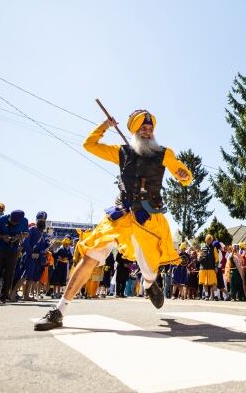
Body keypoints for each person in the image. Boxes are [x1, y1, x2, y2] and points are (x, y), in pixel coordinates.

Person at [35, 110, 191, 330]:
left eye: (150, 128)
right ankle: (59, 310)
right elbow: (89, 145)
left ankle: (149, 283)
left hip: (148, 218)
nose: (147, 132)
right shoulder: (121, 152)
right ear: (134, 132)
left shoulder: (164, 153)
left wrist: (184, 176)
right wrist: (104, 126)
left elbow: (182, 173)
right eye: (143, 129)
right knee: (90, 256)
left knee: (149, 269)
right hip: (121, 215)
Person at [0, 210, 29, 304]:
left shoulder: (25, 221)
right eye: (11, 221)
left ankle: (3, 297)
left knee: (9, 273)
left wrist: (19, 236)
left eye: (15, 222)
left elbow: (26, 234)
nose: (13, 223)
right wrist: (2, 237)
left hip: (13, 249)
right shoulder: (3, 219)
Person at [15, 212, 50, 300]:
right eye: (41, 219)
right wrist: (31, 253)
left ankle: (26, 296)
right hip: (29, 255)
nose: (42, 221)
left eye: (44, 220)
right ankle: (12, 293)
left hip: (37, 257)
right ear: (37, 220)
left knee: (32, 277)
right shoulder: (32, 229)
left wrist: (48, 245)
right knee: (25, 276)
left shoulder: (43, 233)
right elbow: (26, 242)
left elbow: (43, 246)